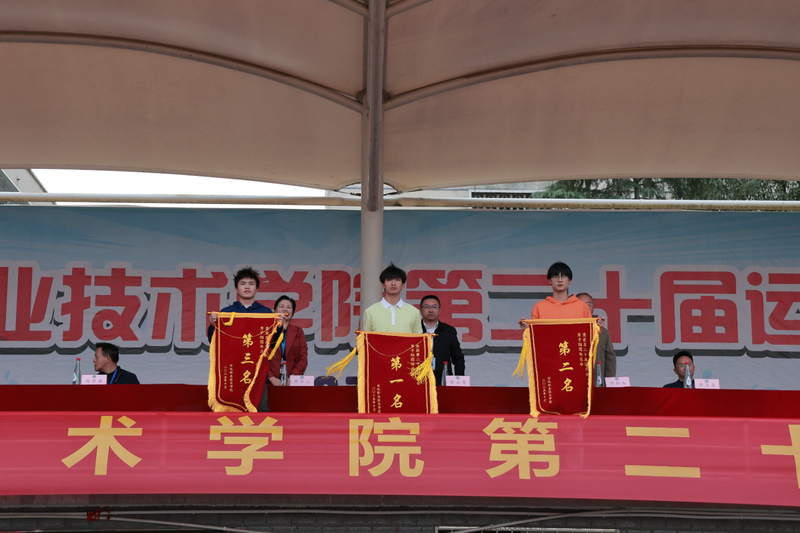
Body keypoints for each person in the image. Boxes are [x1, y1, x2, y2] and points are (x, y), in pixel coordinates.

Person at [207, 266, 273, 341]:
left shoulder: (266, 312)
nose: (247, 287)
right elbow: (214, 341)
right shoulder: (226, 312)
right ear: (236, 289)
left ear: (257, 289)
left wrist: (279, 326)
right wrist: (213, 326)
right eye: (243, 284)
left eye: (251, 284)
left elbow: (273, 341)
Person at [521, 262, 592, 323]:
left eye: (563, 276)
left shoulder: (582, 306)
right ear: (549, 280)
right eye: (555, 277)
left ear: (569, 280)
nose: (560, 280)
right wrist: (527, 329)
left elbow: (590, 332)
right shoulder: (539, 307)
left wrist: (597, 326)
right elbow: (535, 332)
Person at [362, 264, 422, 333]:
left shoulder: (414, 312)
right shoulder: (370, 311)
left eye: (397, 280)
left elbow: (418, 338)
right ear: (383, 285)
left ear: (402, 285)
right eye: (389, 280)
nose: (393, 283)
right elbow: (366, 338)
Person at [420, 295, 465, 385]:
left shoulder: (449, 331)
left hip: (443, 381)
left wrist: (459, 381)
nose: (431, 310)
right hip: (419, 380)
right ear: (421, 310)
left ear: (440, 310)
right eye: (427, 307)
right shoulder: (414, 330)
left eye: (434, 307)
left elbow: (458, 358)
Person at [268, 295, 308, 386]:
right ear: (275, 311)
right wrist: (270, 377)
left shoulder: (298, 331)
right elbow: (260, 358)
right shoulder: (267, 331)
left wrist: (294, 377)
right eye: (281, 306)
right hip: (270, 381)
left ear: (292, 312)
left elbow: (303, 356)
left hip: (291, 380)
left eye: (289, 307)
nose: (285, 309)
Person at [576, 293, 616, 385]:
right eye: (581, 304)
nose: (586, 307)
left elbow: (610, 358)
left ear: (593, 308)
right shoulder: (567, 329)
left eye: (589, 304)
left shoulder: (602, 332)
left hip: (597, 383)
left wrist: (609, 383)